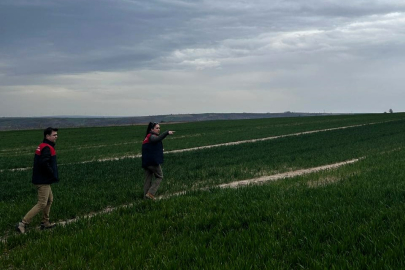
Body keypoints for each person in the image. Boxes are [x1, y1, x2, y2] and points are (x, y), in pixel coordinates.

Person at [16, 127, 59, 234]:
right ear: (47, 136)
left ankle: (45, 222)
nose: (56, 137)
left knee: (49, 200)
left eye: (56, 135)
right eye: (54, 135)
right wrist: (52, 173)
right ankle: (22, 223)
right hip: (42, 180)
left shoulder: (43, 146)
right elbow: (44, 163)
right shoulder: (47, 148)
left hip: (43, 179)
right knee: (42, 203)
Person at [142, 122, 175, 200]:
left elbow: (150, 148)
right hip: (152, 161)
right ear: (152, 129)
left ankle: (146, 198)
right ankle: (151, 193)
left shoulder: (147, 137)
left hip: (146, 162)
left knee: (148, 180)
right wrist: (166, 133)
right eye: (157, 128)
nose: (158, 129)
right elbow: (157, 139)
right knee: (160, 176)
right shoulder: (151, 136)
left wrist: (160, 150)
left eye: (159, 128)